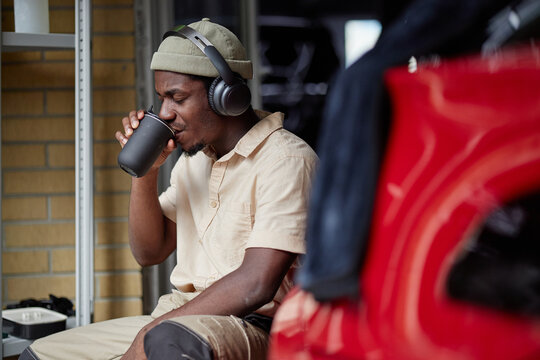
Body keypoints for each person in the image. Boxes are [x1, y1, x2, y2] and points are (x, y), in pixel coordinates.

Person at [20, 18, 317, 360]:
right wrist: (146, 172)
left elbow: (255, 283)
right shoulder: (194, 160)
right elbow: (150, 252)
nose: (164, 113)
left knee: (166, 343)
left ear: (226, 96)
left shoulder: (286, 159)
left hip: (254, 326)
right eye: (161, 98)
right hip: (178, 316)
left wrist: (150, 332)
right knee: (40, 354)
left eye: (177, 98)